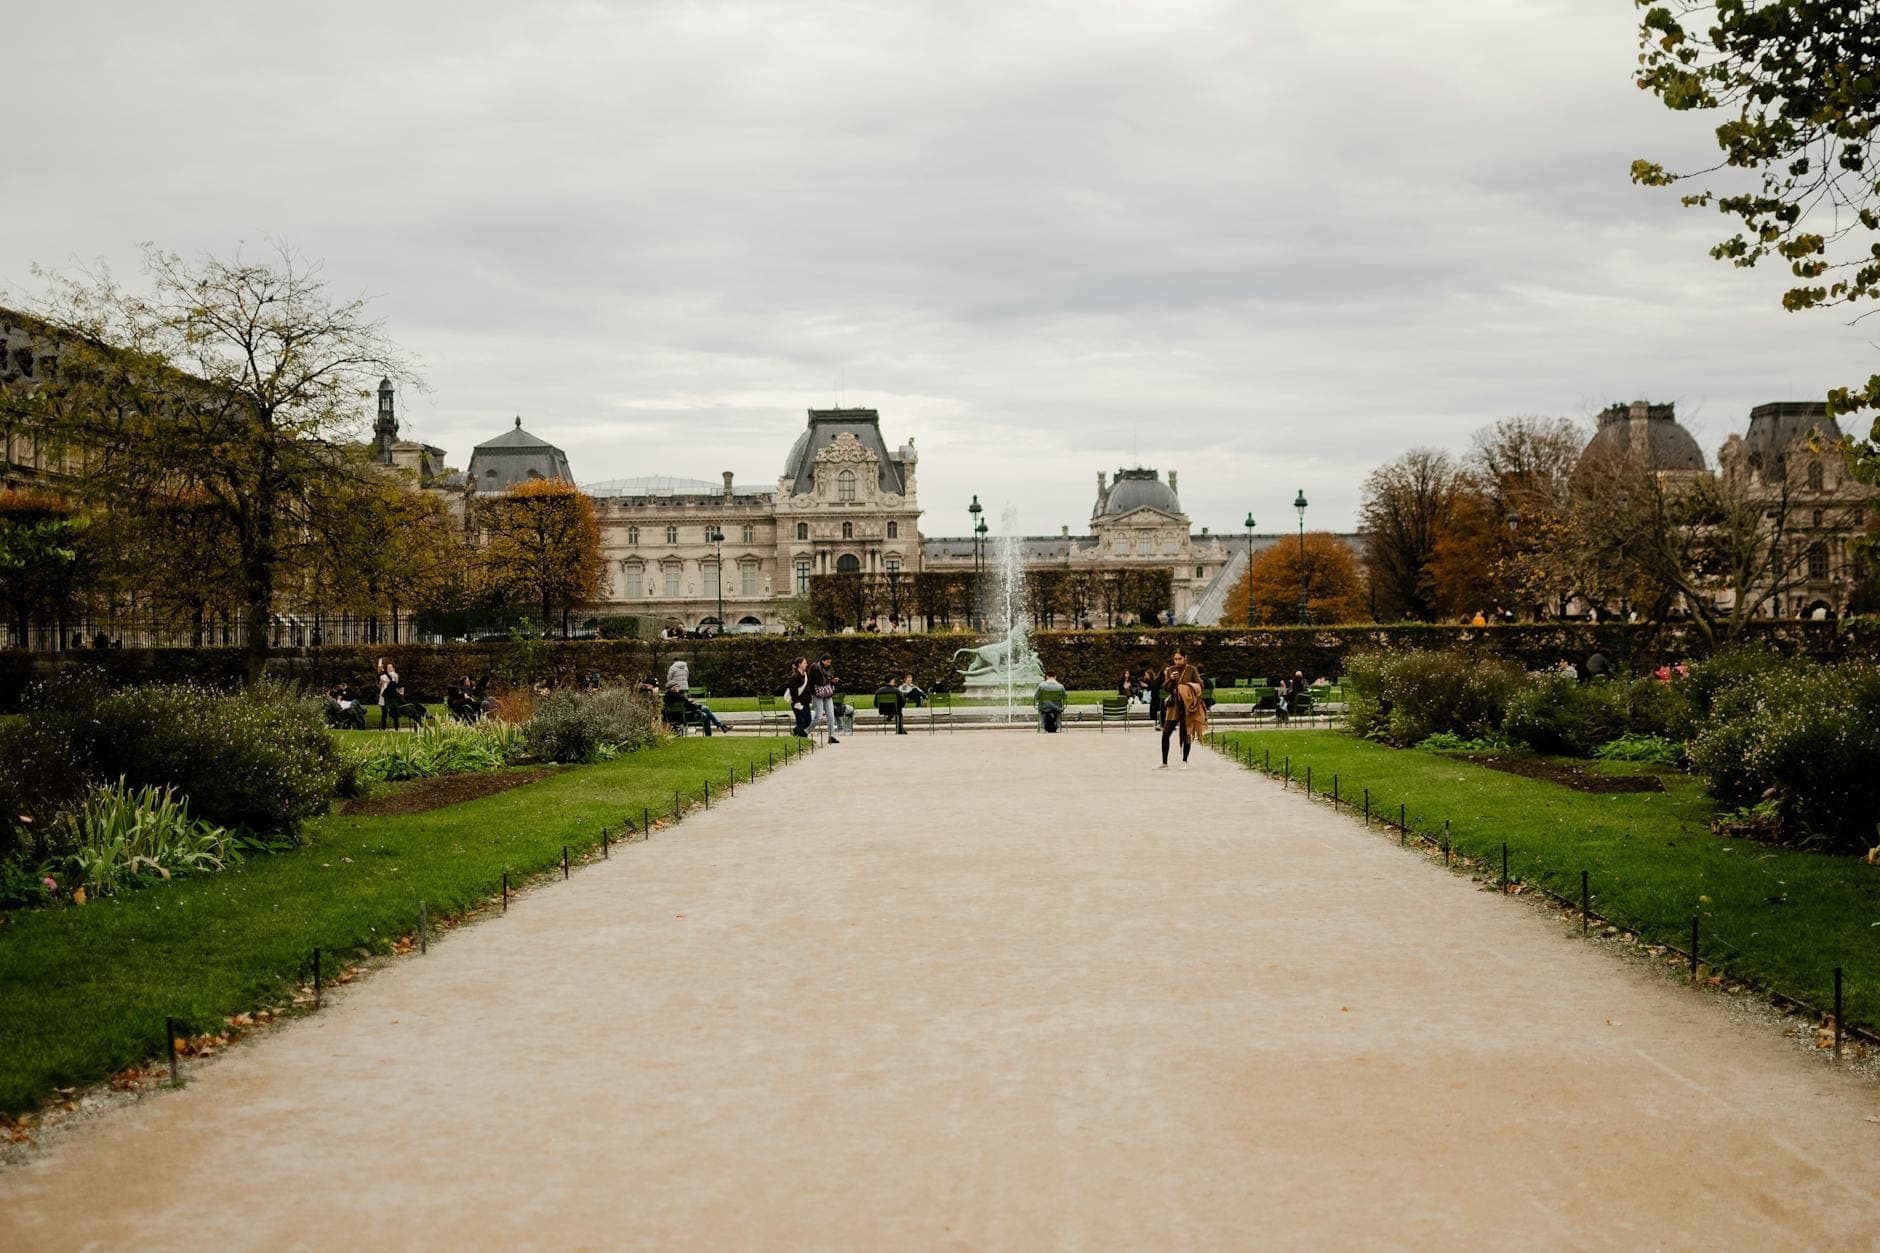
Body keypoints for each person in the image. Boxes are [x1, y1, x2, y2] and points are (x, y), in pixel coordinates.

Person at [1159, 649, 1206, 769]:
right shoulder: (1170, 670)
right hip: (1174, 705)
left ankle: (1184, 761)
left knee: (1186, 734)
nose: (1177, 661)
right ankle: (1164, 762)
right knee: (1165, 733)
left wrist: (1185, 688)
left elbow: (1200, 685)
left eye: (1180, 658)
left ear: (1185, 657)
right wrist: (1170, 679)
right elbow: (1165, 688)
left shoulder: (1192, 670)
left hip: (1187, 706)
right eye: (1175, 659)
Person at [807, 654, 839, 744]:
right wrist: (830, 680)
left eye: (830, 662)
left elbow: (829, 678)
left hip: (827, 693)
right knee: (818, 716)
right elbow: (819, 681)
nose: (829, 664)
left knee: (831, 715)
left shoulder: (828, 669)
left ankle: (831, 736)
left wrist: (833, 681)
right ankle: (805, 732)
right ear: (822, 661)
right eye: (827, 662)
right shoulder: (815, 668)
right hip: (817, 694)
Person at [783, 656, 812, 738]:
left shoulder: (805, 675)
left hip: (805, 701)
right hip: (798, 703)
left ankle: (795, 731)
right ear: (799, 664)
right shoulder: (794, 676)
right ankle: (802, 737)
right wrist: (796, 702)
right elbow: (793, 691)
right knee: (801, 721)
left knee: (808, 721)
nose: (806, 664)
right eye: (804, 663)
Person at [375, 658, 401, 730]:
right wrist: (380, 669)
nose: (389, 668)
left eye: (390, 667)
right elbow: (380, 683)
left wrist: (382, 670)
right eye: (388, 667)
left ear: (393, 668)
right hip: (384, 694)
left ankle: (396, 728)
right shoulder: (383, 676)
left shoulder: (395, 675)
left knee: (394, 711)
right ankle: (383, 728)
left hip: (391, 695)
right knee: (384, 712)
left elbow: (392, 680)